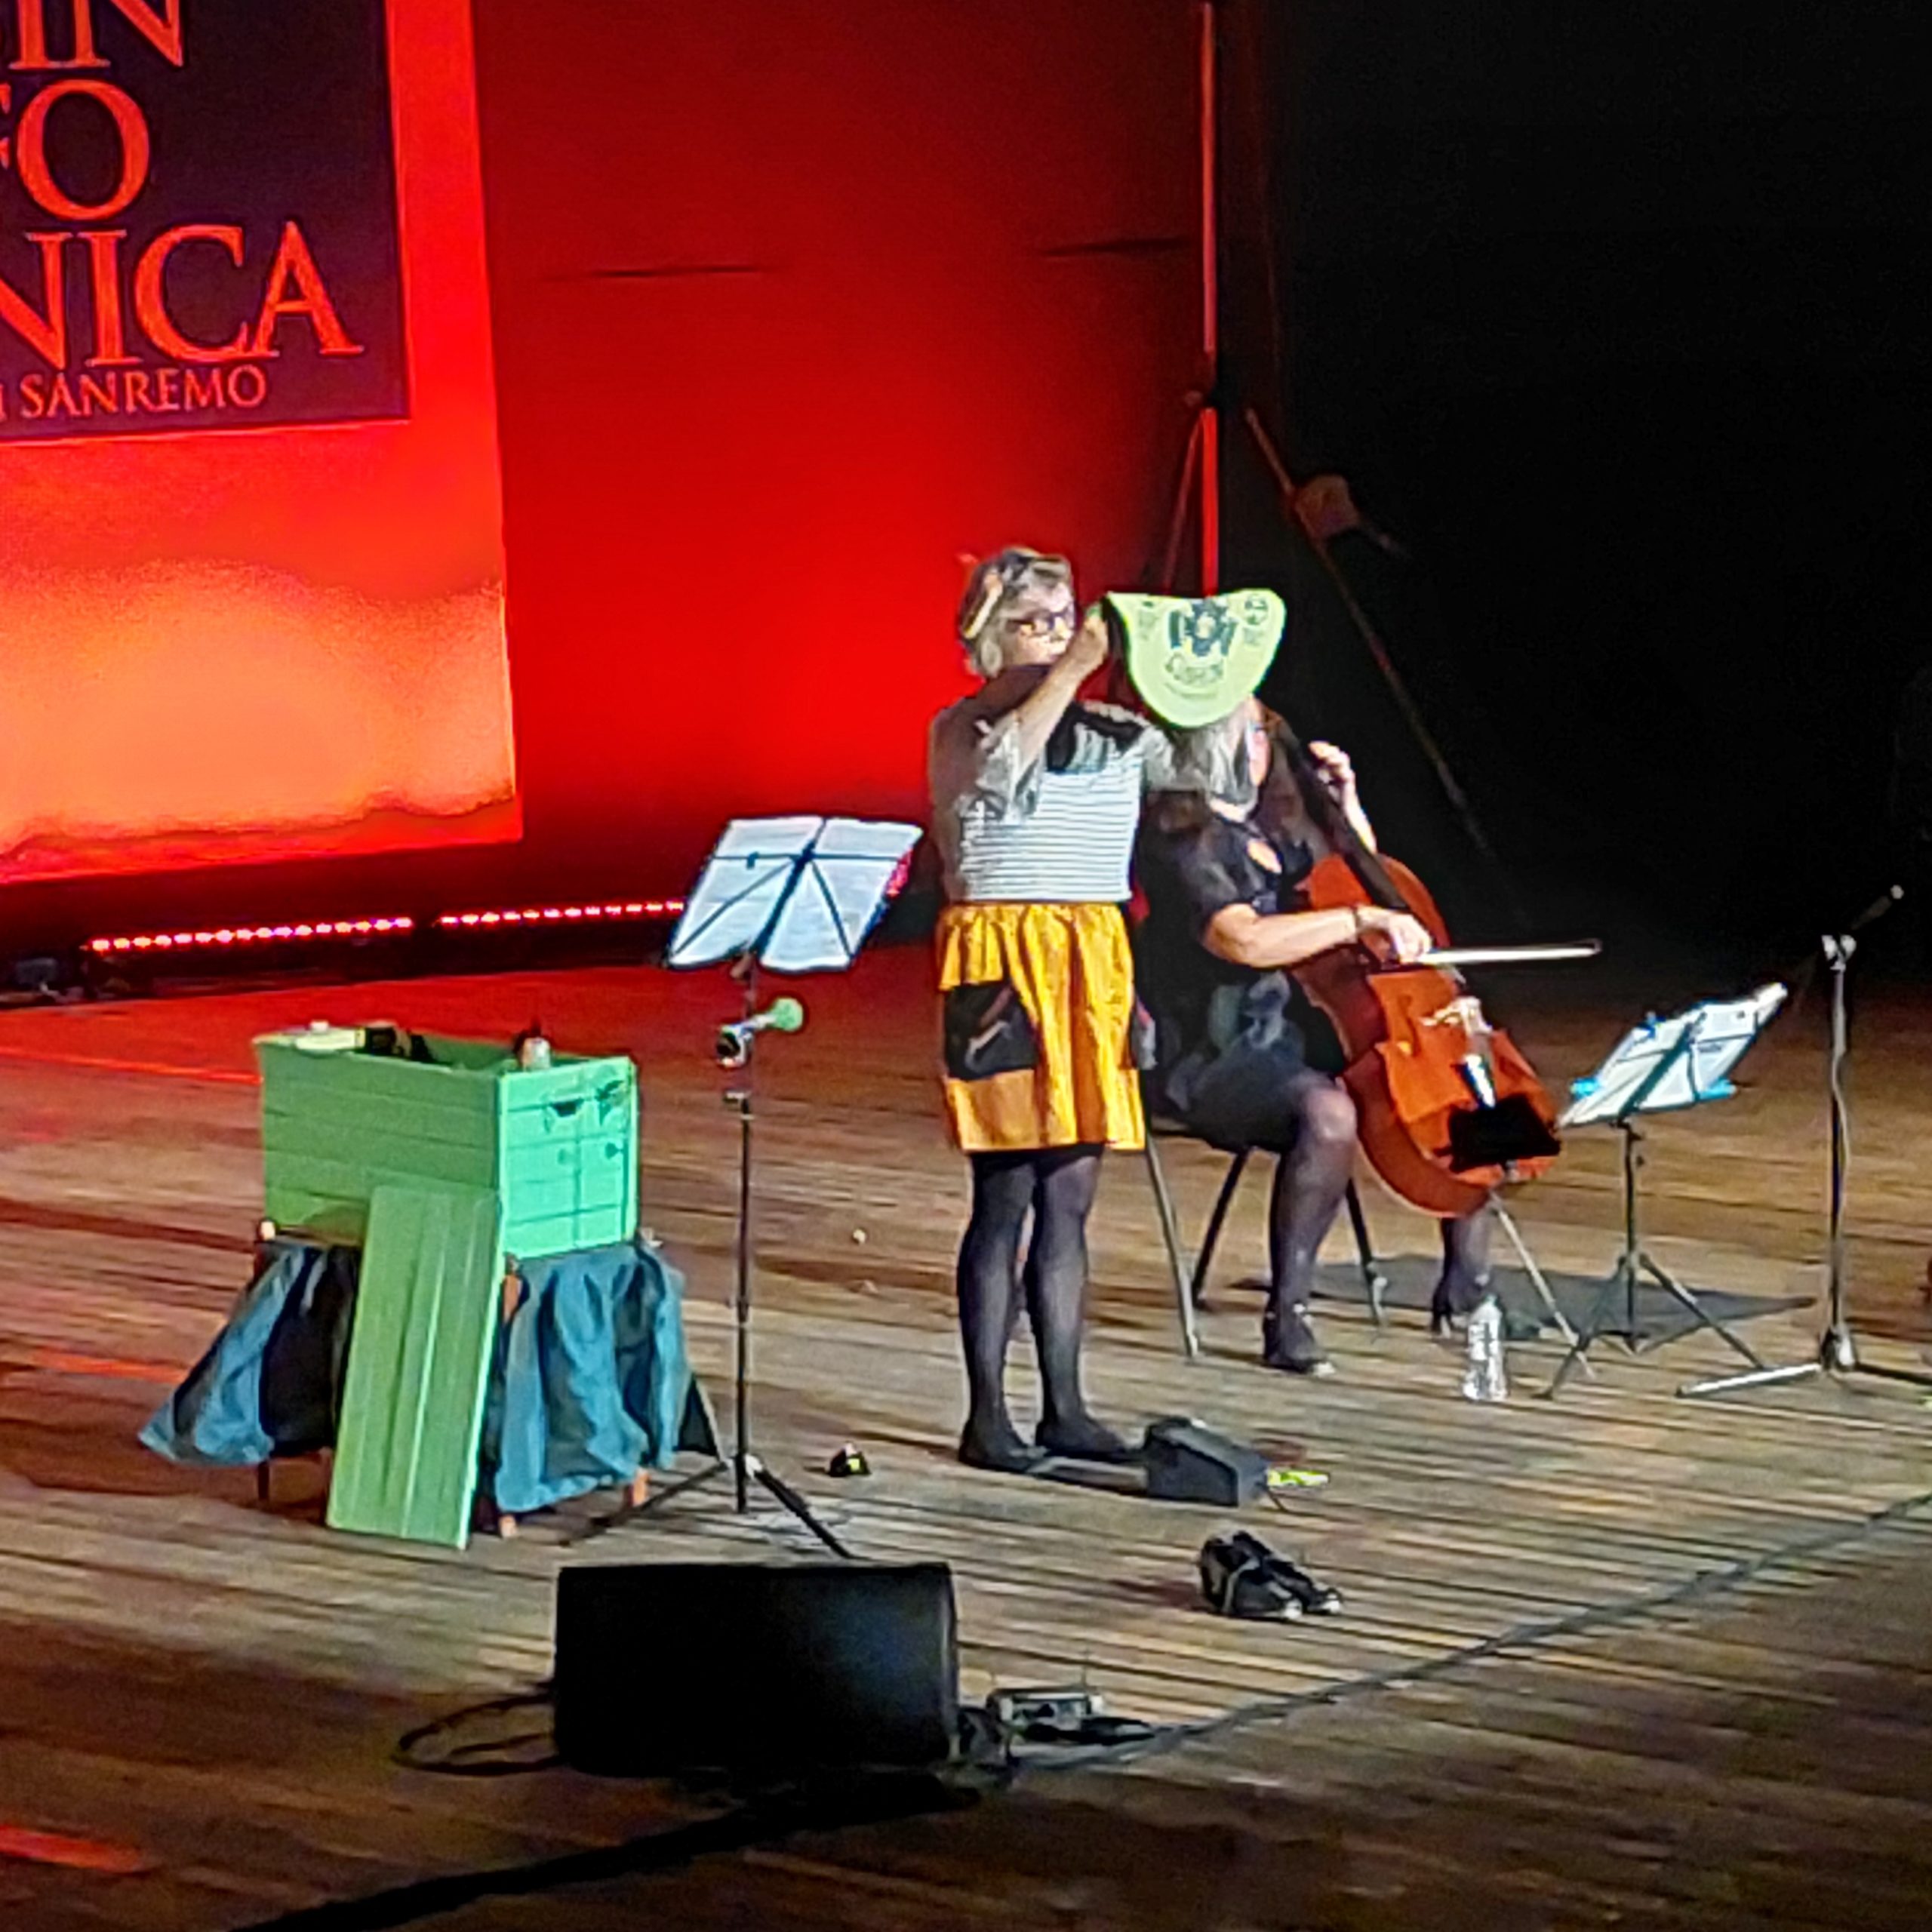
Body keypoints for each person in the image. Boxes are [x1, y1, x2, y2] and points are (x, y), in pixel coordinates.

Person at [1136, 698, 1497, 1371]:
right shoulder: (1180, 838)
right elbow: (1242, 939)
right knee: (1328, 1114)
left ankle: (1469, 1281)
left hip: (1298, 1026)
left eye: (1260, 732)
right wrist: (1359, 922)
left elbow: (1357, 884)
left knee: (1459, 1080)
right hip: (1216, 1045)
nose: (1254, 747)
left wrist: (1346, 811)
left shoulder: (1280, 828)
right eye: (1237, 734)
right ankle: (1288, 1314)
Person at [929, 547, 1177, 1472]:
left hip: (1092, 953)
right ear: (988, 637)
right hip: (1001, 957)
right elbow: (1000, 773)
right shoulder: (961, 726)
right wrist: (1072, 667)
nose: (1057, 635)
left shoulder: (1115, 730)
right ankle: (987, 1416)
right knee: (1005, 1193)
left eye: (1065, 618)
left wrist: (1210, 683)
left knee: (1070, 1195)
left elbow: (1215, 781)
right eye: (1034, 621)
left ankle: (1066, 1405)